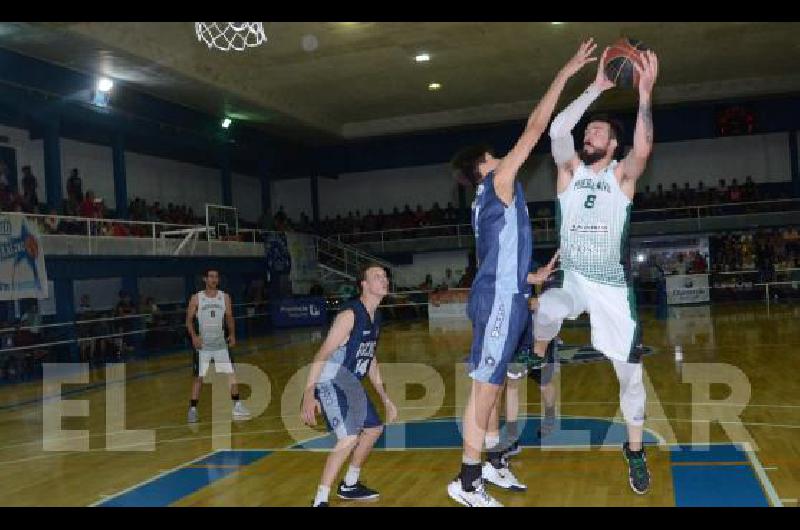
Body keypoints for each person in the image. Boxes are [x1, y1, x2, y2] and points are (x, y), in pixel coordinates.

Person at [446, 39, 599, 508]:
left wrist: (530, 277)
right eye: (493, 155)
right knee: (485, 388)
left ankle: (489, 461)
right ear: (484, 166)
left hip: (507, 292)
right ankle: (466, 480)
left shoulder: (487, 198)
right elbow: (538, 126)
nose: (501, 157)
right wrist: (567, 71)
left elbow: (497, 251)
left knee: (493, 387)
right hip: (496, 299)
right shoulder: (498, 181)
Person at [532, 46, 659, 494]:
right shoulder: (568, 173)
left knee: (632, 378)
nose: (589, 133)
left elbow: (643, 147)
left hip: (610, 289)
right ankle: (538, 353)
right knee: (545, 306)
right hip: (575, 282)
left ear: (613, 145)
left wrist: (644, 94)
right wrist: (595, 88)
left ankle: (636, 451)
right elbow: (558, 128)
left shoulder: (621, 178)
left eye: (599, 130)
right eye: (589, 130)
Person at [301, 264, 397, 507]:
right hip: (331, 378)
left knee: (374, 429)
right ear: (363, 285)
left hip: (350, 382)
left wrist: (385, 398)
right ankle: (320, 500)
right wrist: (308, 393)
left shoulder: (376, 317)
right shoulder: (350, 315)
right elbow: (322, 354)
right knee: (349, 437)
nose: (384, 280)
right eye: (377, 277)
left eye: (385, 276)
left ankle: (350, 484)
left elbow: (370, 359)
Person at [186, 268, 251, 423]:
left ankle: (237, 405)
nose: (214, 279)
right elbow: (188, 320)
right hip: (203, 346)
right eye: (211, 276)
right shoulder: (196, 298)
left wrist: (233, 334)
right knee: (199, 378)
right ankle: (193, 409)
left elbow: (229, 317)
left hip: (221, 344)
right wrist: (194, 336)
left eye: (216, 277)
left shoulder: (225, 297)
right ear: (205, 279)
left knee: (230, 375)